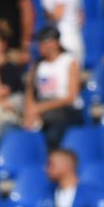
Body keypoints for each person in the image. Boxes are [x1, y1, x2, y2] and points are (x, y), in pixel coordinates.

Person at [21, 25, 81, 155]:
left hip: (65, 110)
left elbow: (71, 96)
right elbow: (30, 92)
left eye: (43, 42)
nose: (39, 46)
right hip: (42, 108)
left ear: (55, 43)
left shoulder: (69, 61)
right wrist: (29, 111)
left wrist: (40, 108)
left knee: (53, 134)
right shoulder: (37, 65)